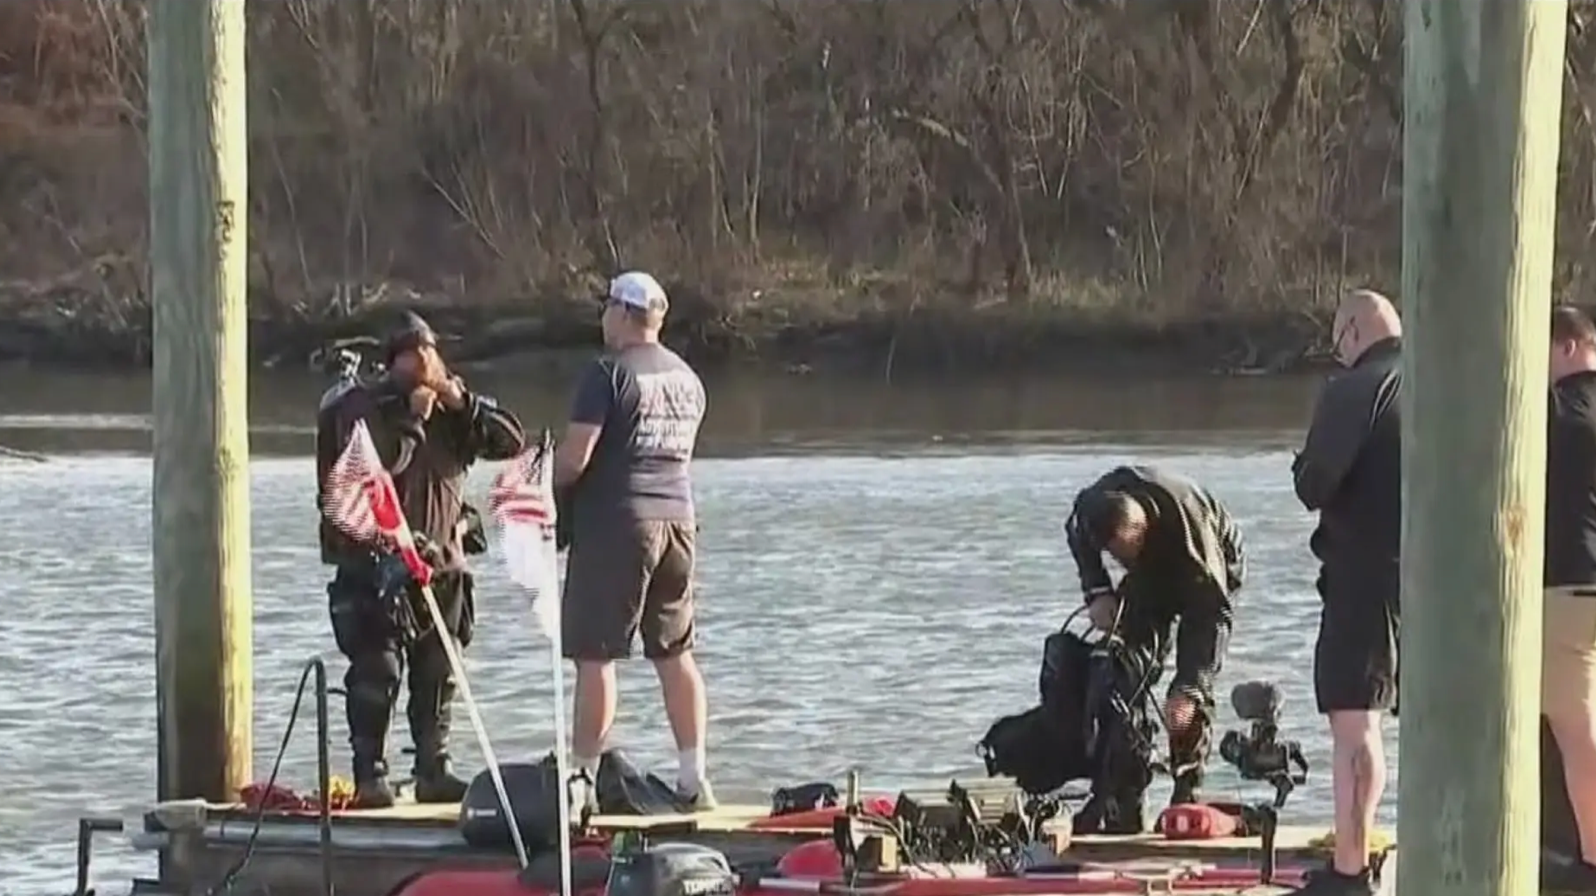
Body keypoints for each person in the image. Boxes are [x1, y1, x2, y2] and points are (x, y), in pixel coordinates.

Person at [316, 311, 526, 809]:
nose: (427, 362)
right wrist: (412, 418)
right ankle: (370, 775)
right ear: (395, 361)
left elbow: (511, 440)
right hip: (376, 564)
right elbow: (375, 468)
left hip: (441, 565)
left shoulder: (455, 413)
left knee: (438, 669)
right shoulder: (363, 407)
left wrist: (460, 402)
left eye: (431, 352)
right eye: (416, 354)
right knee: (377, 671)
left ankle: (434, 768)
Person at [554, 271, 714, 809]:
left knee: (596, 656)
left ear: (623, 313)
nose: (603, 317)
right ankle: (694, 778)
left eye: (607, 307)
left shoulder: (607, 373)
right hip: (679, 522)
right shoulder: (689, 379)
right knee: (676, 653)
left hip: (618, 524)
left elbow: (576, 459)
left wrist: (536, 483)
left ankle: (580, 782)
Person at [1288, 289, 1401, 895]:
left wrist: (1302, 465)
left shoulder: (1355, 390)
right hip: (1447, 576)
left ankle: (1350, 871)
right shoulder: (1447, 381)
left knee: (1356, 725)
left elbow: (1315, 482)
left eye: (1338, 344)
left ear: (1354, 333)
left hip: (1366, 578)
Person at [1064, 465, 1244, 833]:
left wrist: (1192, 683)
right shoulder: (1092, 509)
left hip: (1208, 571)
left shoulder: (1190, 524)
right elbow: (1076, 535)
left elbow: (1214, 613)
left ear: (1143, 527)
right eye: (1117, 553)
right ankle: (1120, 798)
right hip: (1151, 577)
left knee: (1185, 697)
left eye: (1129, 550)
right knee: (1122, 674)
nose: (1122, 557)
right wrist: (1097, 589)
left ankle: (1186, 790)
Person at [1540, 305, 1596, 890]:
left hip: (1568, 585)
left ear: (1566, 348)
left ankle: (1589, 860)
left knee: (1574, 732)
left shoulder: (1558, 415)